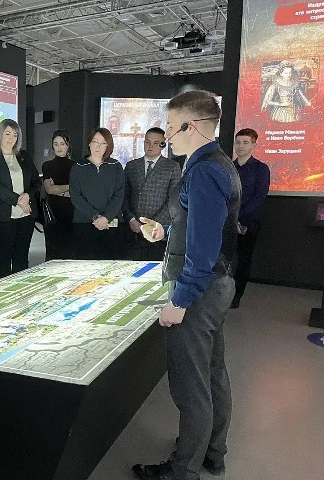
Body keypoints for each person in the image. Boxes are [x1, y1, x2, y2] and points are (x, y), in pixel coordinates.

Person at [134, 90, 241, 480]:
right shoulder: (217, 163)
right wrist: (164, 230)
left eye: (170, 128)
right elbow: (200, 226)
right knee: (213, 373)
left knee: (191, 386)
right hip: (217, 286)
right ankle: (212, 452)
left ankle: (182, 471)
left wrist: (179, 301)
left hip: (200, 291)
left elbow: (203, 251)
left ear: (189, 127)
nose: (166, 137)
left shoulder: (203, 170)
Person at [0, 119, 40, 280]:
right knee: (3, 258)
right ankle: (1, 291)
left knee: (21, 258)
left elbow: (36, 181)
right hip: (2, 217)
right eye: (7, 133)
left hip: (26, 216)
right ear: (0, 134)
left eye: (15, 135)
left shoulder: (24, 156)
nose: (11, 138)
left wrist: (27, 195)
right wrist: (18, 200)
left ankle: (21, 290)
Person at [123, 127, 181, 261]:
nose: (150, 146)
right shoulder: (132, 166)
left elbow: (173, 199)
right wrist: (131, 219)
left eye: (156, 143)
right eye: (147, 142)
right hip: (134, 229)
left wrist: (154, 224)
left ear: (163, 145)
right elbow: (124, 196)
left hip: (158, 230)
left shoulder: (172, 167)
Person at [69, 127, 125, 260]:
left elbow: (119, 194)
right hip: (84, 223)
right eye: (95, 142)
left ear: (108, 146)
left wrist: (106, 217)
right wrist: (95, 217)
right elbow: (76, 196)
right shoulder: (78, 167)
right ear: (89, 143)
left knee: (111, 263)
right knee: (86, 262)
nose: (98, 146)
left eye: (103, 143)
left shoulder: (115, 166)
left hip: (111, 223)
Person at [230, 128, 270, 309]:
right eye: (238, 142)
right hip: (227, 222)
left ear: (254, 145)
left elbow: (259, 198)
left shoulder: (261, 169)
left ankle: (237, 295)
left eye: (245, 142)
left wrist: (239, 218)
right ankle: (221, 293)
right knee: (224, 260)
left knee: (243, 260)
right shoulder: (229, 167)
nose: (240, 146)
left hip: (248, 223)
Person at [41, 129, 75, 260]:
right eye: (56, 144)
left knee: (69, 250)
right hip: (52, 212)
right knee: (52, 251)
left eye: (62, 144)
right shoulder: (47, 165)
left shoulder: (76, 166)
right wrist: (69, 188)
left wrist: (58, 189)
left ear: (68, 145)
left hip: (71, 212)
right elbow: (50, 189)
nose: (59, 148)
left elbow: (78, 191)